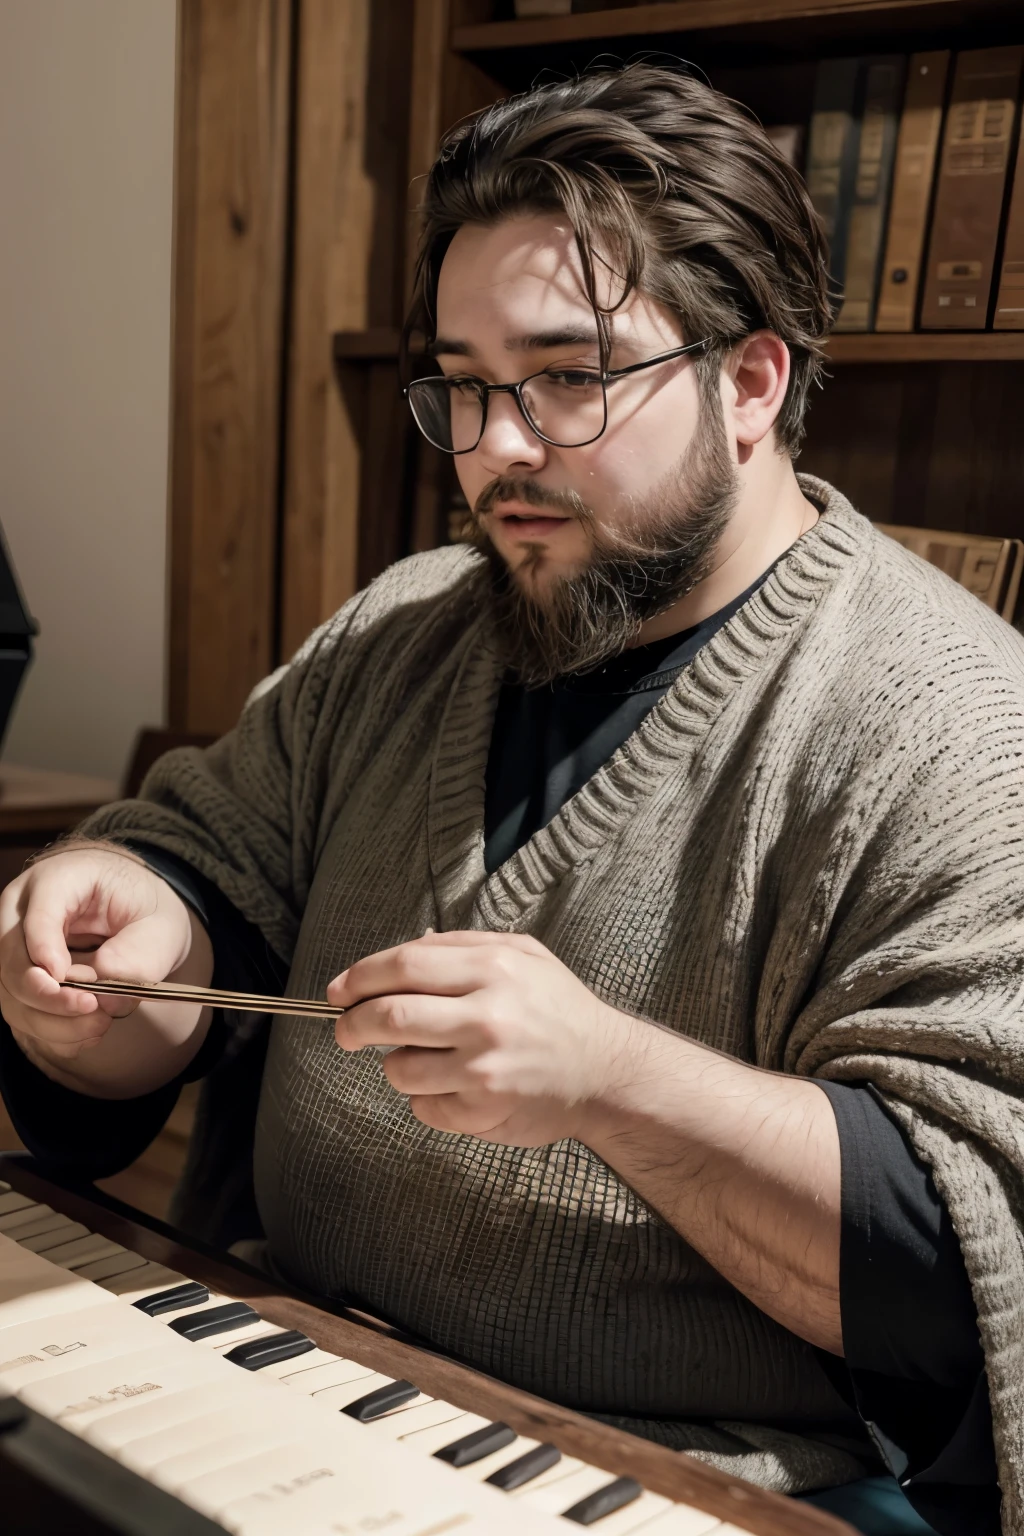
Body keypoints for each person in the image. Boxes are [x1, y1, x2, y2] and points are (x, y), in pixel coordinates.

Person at [0, 63, 1020, 1536]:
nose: (494, 450)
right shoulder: (410, 624)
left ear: (750, 381)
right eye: (466, 387)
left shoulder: (957, 720)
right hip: (290, 1378)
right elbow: (196, 890)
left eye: (567, 378)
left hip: (693, 1485)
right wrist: (117, 963)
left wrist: (612, 1079)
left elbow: (967, 1262)